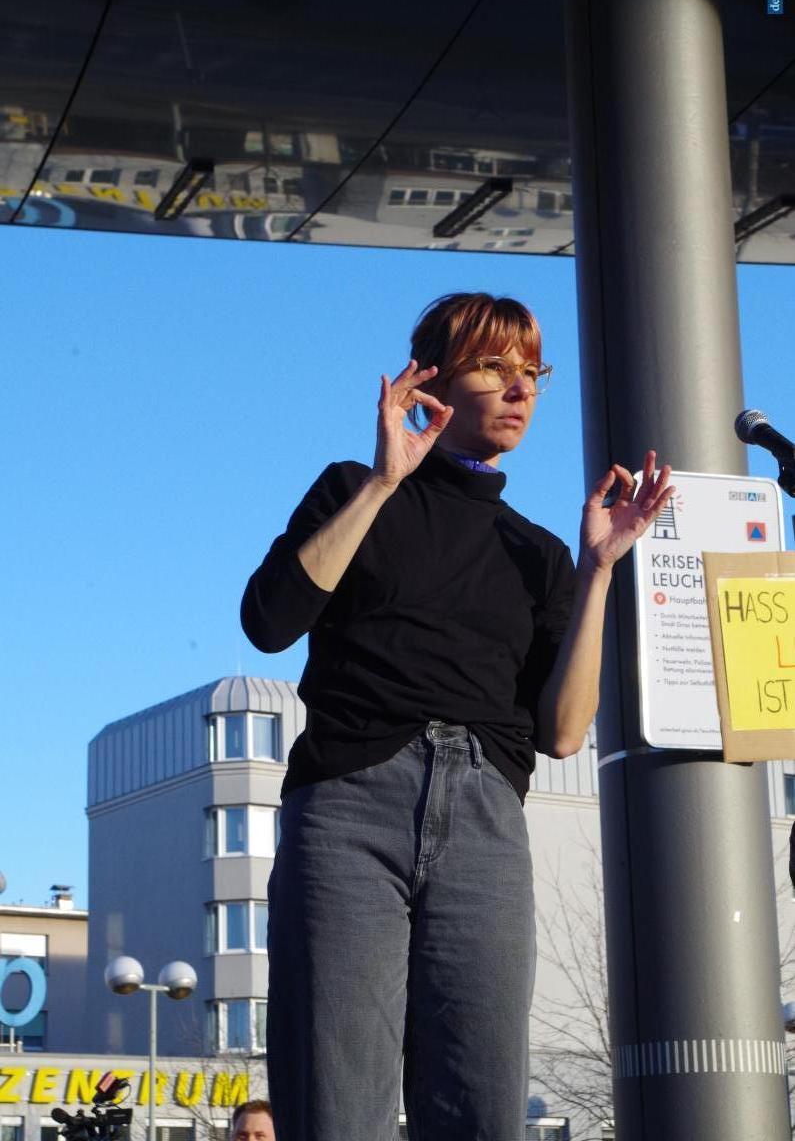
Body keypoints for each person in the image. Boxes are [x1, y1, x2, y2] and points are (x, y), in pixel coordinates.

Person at [240, 292, 673, 1141]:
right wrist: (384, 480)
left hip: (484, 819)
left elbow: (562, 733)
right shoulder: (351, 488)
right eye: (493, 367)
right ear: (430, 381)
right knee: (340, 1096)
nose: (519, 389)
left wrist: (597, 570)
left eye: (532, 373)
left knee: (481, 1098)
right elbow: (268, 622)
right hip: (352, 802)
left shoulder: (538, 552)